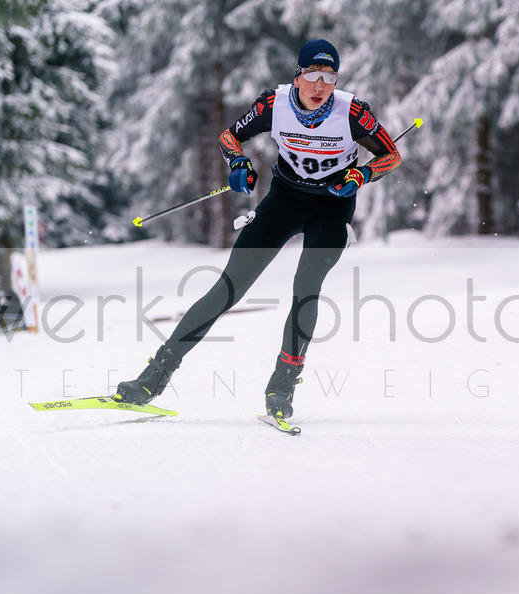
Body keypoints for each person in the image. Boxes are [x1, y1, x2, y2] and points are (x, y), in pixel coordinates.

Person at [114, 38, 401, 423]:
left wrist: (362, 174)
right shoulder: (273, 105)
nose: (320, 86)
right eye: (313, 75)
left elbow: (391, 154)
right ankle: (154, 376)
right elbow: (229, 137)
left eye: (329, 77)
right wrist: (238, 163)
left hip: (332, 206)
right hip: (284, 200)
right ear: (297, 76)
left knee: (306, 286)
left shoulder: (352, 112)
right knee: (228, 287)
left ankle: (282, 384)